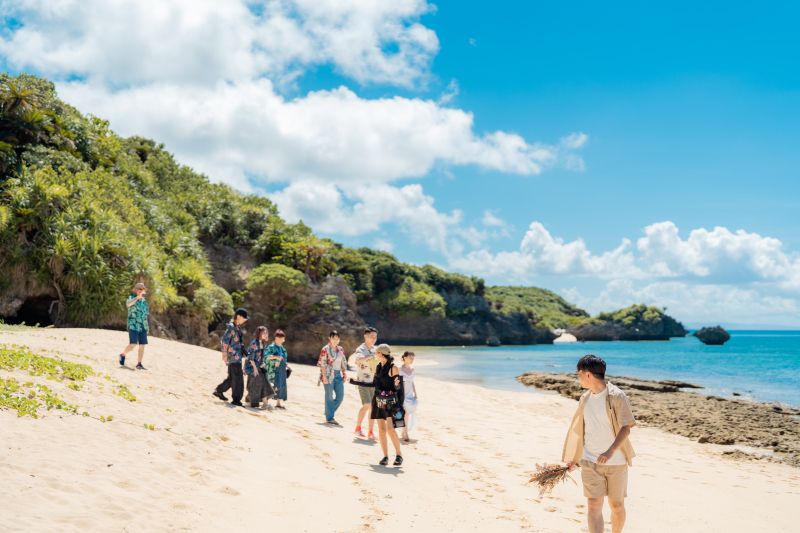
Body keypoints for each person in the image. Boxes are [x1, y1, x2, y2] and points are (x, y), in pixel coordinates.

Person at [564, 355, 636, 533]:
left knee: (617, 506)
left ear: (588, 374)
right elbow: (581, 431)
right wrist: (575, 459)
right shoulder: (584, 399)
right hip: (590, 460)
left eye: (579, 373)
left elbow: (626, 428)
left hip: (616, 462)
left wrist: (610, 451)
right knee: (594, 505)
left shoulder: (617, 396)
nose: (578, 377)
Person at [349, 344, 404, 466]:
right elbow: (374, 384)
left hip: (390, 402)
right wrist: (355, 382)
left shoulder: (393, 368)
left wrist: (397, 384)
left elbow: (397, 388)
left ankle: (399, 454)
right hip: (378, 401)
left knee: (390, 429)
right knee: (381, 430)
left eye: (376, 353)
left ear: (380, 354)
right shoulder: (378, 367)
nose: (375, 355)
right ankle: (385, 456)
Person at [213, 308, 249, 407]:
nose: (245, 320)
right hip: (233, 357)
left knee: (233, 377)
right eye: (244, 318)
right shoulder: (231, 327)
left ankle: (219, 391)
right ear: (238, 316)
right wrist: (224, 353)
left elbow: (240, 343)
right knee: (238, 378)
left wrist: (246, 352)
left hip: (238, 356)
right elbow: (225, 340)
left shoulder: (238, 328)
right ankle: (236, 400)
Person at [353, 327, 379, 439]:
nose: (374, 339)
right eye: (372, 336)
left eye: (375, 337)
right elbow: (358, 360)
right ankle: (358, 428)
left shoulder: (376, 349)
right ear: (365, 336)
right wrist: (370, 356)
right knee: (367, 405)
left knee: (373, 408)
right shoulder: (361, 349)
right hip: (363, 381)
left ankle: (371, 431)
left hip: (374, 382)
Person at [119, 282, 149, 370]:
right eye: (139, 289)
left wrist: (147, 326)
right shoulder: (131, 298)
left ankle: (139, 363)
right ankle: (123, 354)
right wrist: (137, 298)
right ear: (136, 290)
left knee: (142, 345)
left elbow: (145, 314)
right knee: (133, 344)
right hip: (133, 324)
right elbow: (128, 304)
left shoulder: (144, 302)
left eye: (142, 289)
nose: (141, 291)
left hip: (142, 325)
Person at [318, 330, 347, 424]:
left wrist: (345, 375)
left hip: (338, 374)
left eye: (337, 338)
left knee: (340, 396)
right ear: (329, 338)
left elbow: (343, 363)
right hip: (328, 374)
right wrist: (324, 377)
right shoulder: (325, 349)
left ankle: (328, 411)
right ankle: (330, 417)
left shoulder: (341, 349)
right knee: (329, 396)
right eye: (334, 338)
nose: (336, 340)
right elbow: (322, 364)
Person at [245, 326, 275, 409]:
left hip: (259, 367)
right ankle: (249, 401)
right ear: (259, 334)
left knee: (264, 383)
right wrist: (254, 368)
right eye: (264, 333)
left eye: (267, 333)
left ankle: (265, 404)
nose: (266, 335)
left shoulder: (264, 344)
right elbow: (250, 357)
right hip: (252, 367)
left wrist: (263, 364)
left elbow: (262, 357)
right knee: (255, 385)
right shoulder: (254, 343)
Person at [266, 330, 289, 409]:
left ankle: (278, 403)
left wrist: (286, 364)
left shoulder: (282, 348)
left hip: (282, 369)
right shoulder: (271, 347)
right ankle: (265, 400)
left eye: (283, 338)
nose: (282, 340)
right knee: (274, 385)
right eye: (281, 338)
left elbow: (284, 358)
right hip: (273, 370)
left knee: (282, 385)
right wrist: (276, 357)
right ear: (276, 338)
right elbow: (266, 357)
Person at [399, 351, 419, 441]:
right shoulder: (399, 369)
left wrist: (415, 392)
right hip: (402, 394)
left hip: (410, 394)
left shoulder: (412, 369)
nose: (411, 359)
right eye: (410, 357)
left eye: (413, 358)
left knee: (407, 414)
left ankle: (403, 432)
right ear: (405, 358)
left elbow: (412, 382)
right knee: (405, 414)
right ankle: (405, 433)